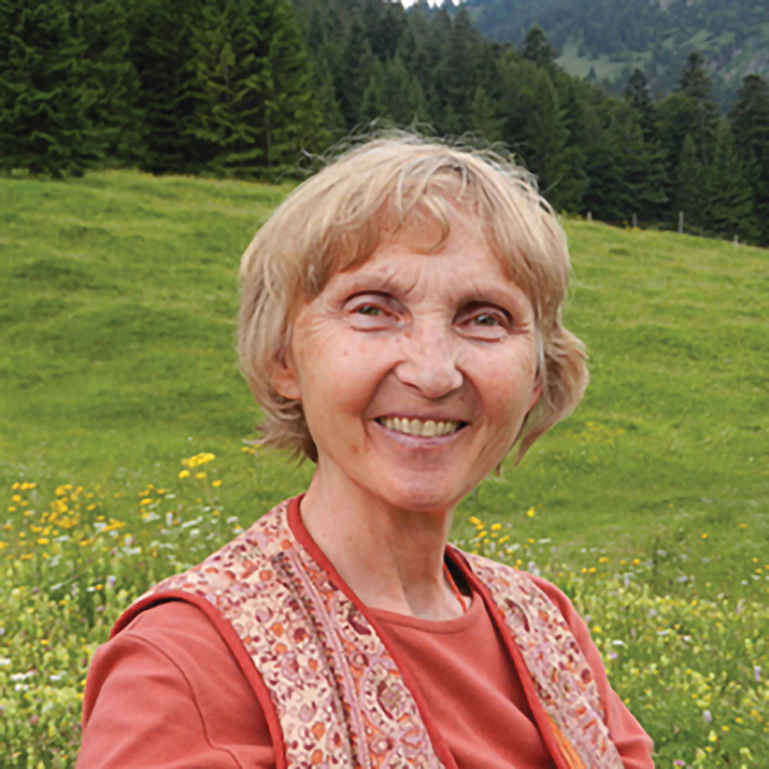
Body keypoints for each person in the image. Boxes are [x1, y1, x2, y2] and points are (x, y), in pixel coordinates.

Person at [78, 136, 654, 768]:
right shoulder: (189, 664)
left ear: (536, 377)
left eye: (484, 318)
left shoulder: (546, 626)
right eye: (374, 309)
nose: (434, 373)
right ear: (283, 358)